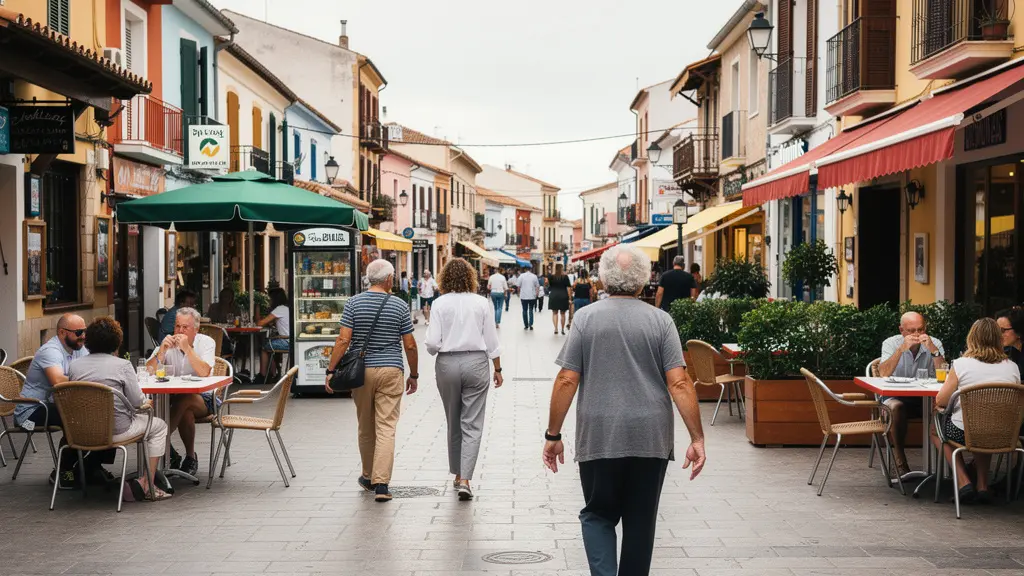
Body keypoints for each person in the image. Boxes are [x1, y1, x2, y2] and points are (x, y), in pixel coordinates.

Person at [543, 244, 706, 576]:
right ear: (644, 279)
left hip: (600, 435)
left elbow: (566, 380)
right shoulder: (661, 322)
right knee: (640, 521)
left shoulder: (586, 319)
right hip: (650, 437)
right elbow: (679, 382)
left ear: (602, 278)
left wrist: (553, 435)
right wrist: (697, 438)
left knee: (597, 513)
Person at [324, 259, 419, 502]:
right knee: (386, 427)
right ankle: (381, 485)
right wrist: (414, 374)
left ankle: (367, 476)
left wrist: (331, 370)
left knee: (366, 426)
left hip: (361, 371)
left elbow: (343, 340)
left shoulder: (354, 303)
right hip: (391, 370)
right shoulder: (399, 305)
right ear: (388, 280)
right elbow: (409, 344)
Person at [68, 317, 171, 501]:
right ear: (117, 341)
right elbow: (138, 401)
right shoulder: (122, 366)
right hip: (117, 431)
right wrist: (146, 403)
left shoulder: (75, 365)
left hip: (81, 432)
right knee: (159, 426)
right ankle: (148, 483)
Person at [425, 259, 503, 500]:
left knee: (453, 419)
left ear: (444, 278)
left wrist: (436, 348)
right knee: (472, 422)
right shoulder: (481, 303)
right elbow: (492, 340)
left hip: (447, 363)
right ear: (470, 277)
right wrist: (498, 369)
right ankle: (466, 479)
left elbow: (431, 343)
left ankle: (457, 473)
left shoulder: (438, 304)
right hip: (477, 363)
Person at [14, 313, 115, 489]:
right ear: (62, 332)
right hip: (29, 414)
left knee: (106, 414)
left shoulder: (78, 347)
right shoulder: (50, 351)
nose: (83, 336)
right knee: (75, 419)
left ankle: (92, 466)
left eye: (85, 331)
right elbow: (58, 381)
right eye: (79, 332)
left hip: (59, 405)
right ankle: (64, 470)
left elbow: (94, 368)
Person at [933, 318, 1020, 503]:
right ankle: (982, 485)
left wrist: (942, 407)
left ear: (972, 338)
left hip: (965, 432)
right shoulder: (1013, 367)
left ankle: (963, 482)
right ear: (998, 339)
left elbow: (941, 399)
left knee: (935, 430)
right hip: (1004, 433)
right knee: (986, 425)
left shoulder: (962, 364)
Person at [147, 307, 215, 477]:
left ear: (196, 329)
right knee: (182, 411)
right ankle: (190, 457)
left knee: (186, 399)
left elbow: (204, 372)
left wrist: (188, 349)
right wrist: (161, 352)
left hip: (204, 398)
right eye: (177, 326)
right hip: (171, 397)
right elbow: (147, 371)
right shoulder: (168, 343)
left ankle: (159, 438)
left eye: (186, 327)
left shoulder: (206, 342)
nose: (180, 331)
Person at [878, 311, 945, 476]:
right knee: (895, 407)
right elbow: (883, 373)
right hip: (896, 395)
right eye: (911, 330)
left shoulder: (934, 343)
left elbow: (944, 374)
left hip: (926, 398)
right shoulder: (891, 343)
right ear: (902, 330)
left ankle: (942, 465)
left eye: (920, 330)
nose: (917, 334)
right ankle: (900, 459)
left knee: (944, 408)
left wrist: (934, 351)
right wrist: (901, 349)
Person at [256, 288, 290, 384]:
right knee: (270, 346)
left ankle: (262, 375)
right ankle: (273, 374)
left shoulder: (280, 309)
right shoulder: (287, 307)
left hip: (286, 341)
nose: (269, 301)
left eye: (270, 299)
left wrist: (257, 308)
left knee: (264, 347)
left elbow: (259, 323)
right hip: (289, 340)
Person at [996, 307, 1024, 375]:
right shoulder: (1008, 350)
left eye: (1003, 330)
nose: (998, 335)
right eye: (997, 330)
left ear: (1018, 332)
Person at [547, 264, 572, 335]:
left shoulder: (551, 276)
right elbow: (568, 288)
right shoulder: (565, 277)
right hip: (563, 296)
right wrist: (570, 298)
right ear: (561, 268)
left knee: (555, 313)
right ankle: (563, 329)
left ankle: (556, 329)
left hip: (554, 296)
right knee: (563, 314)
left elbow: (548, 285)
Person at [517, 265, 541, 330]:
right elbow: (537, 286)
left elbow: (518, 286)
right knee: (531, 310)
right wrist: (537, 293)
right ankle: (531, 324)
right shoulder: (534, 276)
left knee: (524, 310)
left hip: (523, 296)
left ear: (525, 269)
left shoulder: (521, 276)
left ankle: (526, 325)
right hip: (532, 296)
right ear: (530, 269)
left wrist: (518, 293)